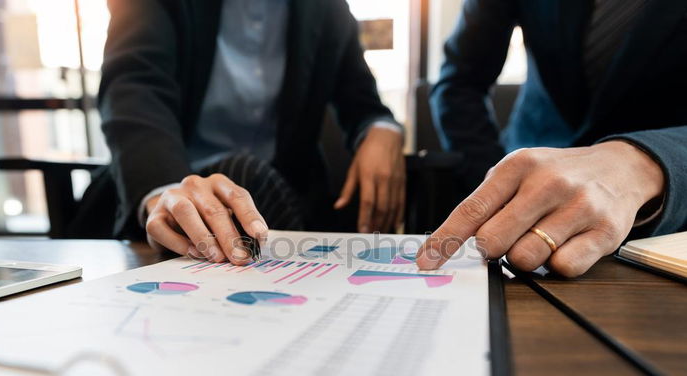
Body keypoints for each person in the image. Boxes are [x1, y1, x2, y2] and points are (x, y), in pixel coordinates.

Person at [96, 0, 405, 264]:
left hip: (282, 195)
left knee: (259, 180)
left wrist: (382, 130)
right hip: (175, 183)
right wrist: (164, 191)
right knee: (245, 172)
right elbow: (133, 89)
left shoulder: (328, 7)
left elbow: (362, 101)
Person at [417, 0, 687, 277]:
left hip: (665, 229)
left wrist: (645, 162)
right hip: (520, 198)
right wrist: (497, 181)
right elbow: (460, 83)